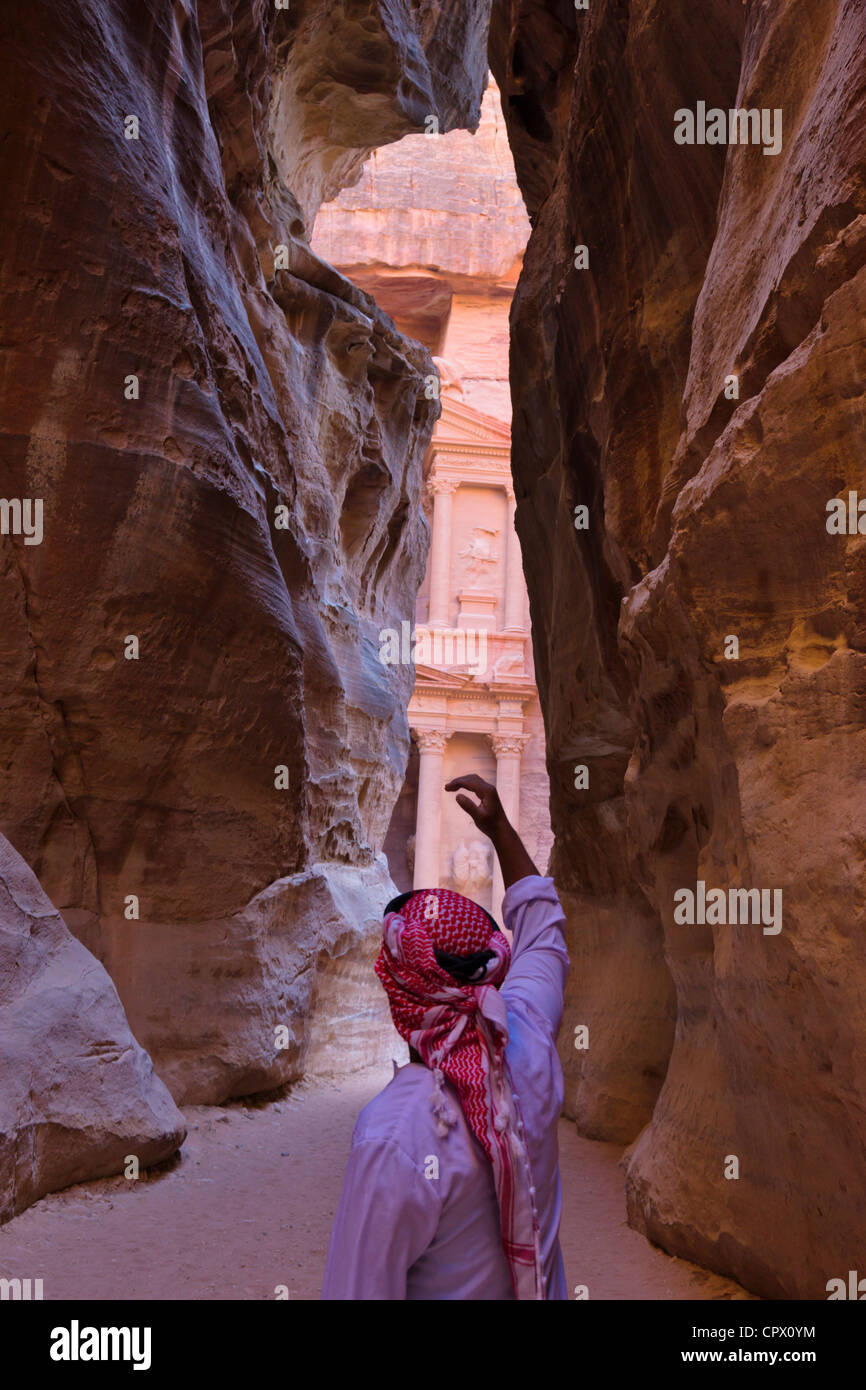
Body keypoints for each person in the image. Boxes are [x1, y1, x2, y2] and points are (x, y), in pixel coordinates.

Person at [321, 773, 570, 1300]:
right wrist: (500, 829)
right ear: (490, 969)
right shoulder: (528, 1039)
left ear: (396, 986)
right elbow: (543, 928)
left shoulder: (395, 1133)